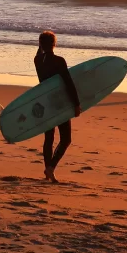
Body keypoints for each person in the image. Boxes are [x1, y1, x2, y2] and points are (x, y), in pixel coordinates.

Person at [34, 31, 81, 183]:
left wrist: (40, 46)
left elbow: (39, 52)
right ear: (54, 44)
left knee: (49, 138)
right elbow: (68, 82)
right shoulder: (59, 61)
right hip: (60, 103)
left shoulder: (37, 60)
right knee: (66, 139)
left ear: (40, 44)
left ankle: (49, 170)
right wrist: (76, 104)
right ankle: (51, 167)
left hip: (45, 103)